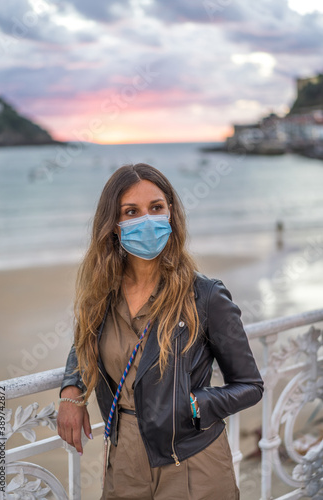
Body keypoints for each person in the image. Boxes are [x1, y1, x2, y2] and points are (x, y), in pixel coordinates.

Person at [57, 163, 264, 500]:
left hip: (193, 463)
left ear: (171, 213)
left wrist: (196, 404)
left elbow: (251, 386)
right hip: (124, 461)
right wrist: (71, 391)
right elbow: (85, 344)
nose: (147, 220)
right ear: (114, 225)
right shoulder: (102, 295)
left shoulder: (206, 296)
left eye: (156, 207)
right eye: (131, 211)